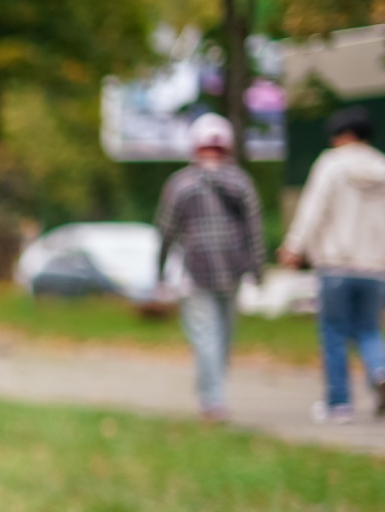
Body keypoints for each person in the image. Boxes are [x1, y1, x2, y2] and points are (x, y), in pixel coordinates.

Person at [278, 105, 385, 424]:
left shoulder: (331, 165)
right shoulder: (382, 167)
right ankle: (380, 370)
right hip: (375, 267)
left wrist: (294, 247)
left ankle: (339, 403)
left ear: (343, 135)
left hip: (336, 265)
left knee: (334, 332)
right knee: (368, 329)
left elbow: (314, 210)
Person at [154, 113, 264, 422]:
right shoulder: (241, 182)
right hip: (233, 270)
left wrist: (159, 270)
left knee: (206, 335)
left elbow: (165, 231)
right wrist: (258, 270)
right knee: (224, 334)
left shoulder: (181, 184)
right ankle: (213, 394)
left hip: (197, 270)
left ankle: (212, 400)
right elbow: (254, 230)